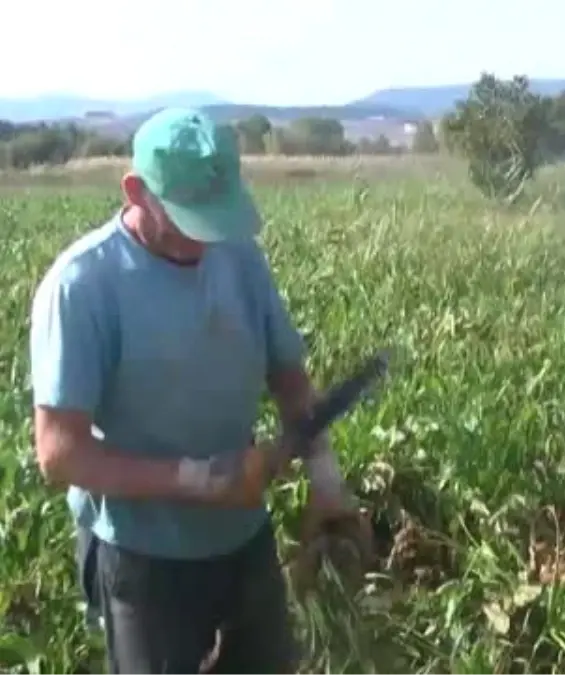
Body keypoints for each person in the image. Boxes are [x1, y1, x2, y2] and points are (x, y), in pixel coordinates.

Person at [30, 107, 366, 674]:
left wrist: (326, 482)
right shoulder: (82, 286)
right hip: (143, 558)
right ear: (135, 191)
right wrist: (201, 480)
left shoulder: (236, 254)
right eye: (189, 218)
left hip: (244, 540)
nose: (204, 238)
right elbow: (60, 453)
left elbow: (287, 373)